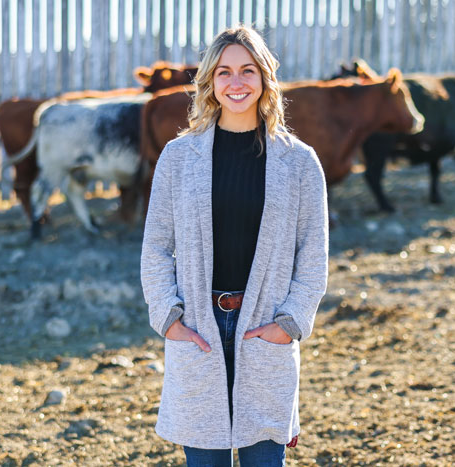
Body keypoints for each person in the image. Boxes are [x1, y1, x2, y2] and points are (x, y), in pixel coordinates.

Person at [140, 25, 328, 467]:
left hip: (265, 328)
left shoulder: (299, 162)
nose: (236, 82)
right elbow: (155, 248)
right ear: (210, 82)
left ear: (265, 78)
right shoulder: (178, 158)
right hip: (198, 330)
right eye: (224, 72)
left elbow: (314, 257)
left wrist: (290, 323)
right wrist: (169, 318)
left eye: (248, 70)